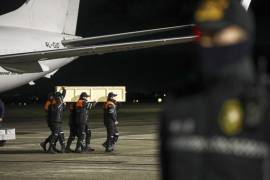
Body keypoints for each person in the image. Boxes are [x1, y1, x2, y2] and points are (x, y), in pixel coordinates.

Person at [160, 1, 270, 180]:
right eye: (203, 34)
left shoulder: (264, 107)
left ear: (246, 35)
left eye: (218, 33)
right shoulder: (176, 109)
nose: (208, 42)